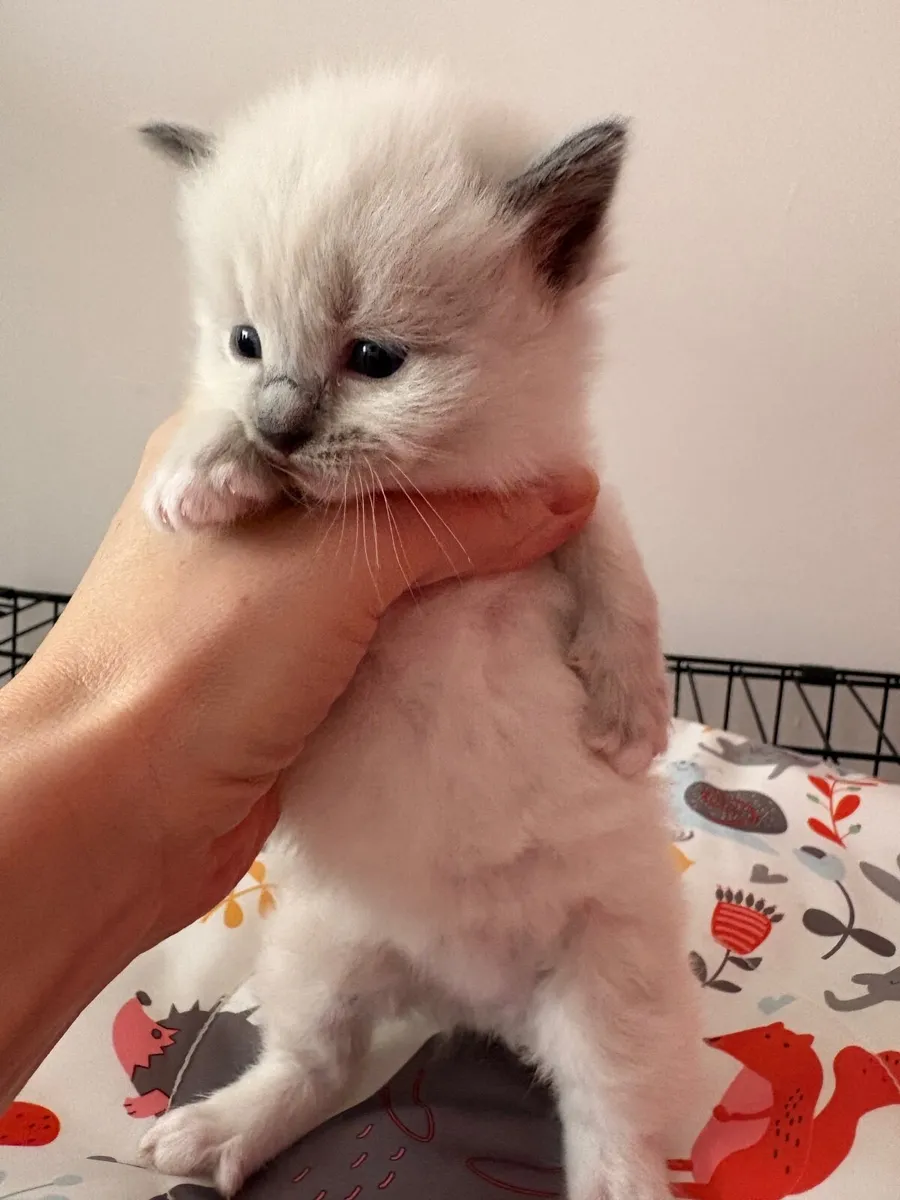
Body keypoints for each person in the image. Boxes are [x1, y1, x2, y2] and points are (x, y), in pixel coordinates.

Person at [0, 419, 598, 1107]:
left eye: (378, 364)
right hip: (377, 881)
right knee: (325, 939)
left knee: (611, 1008)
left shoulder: (527, 467)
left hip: (543, 880)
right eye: (248, 357)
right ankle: (301, 1073)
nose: (280, 420)